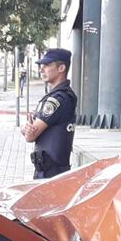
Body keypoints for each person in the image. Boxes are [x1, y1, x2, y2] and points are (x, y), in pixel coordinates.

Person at [20, 48, 77, 180]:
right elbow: (30, 130)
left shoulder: (58, 99)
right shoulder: (59, 96)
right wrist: (25, 128)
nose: (42, 69)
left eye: (47, 65)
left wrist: (26, 129)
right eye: (42, 66)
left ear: (61, 68)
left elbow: (30, 136)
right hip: (49, 172)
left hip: (52, 174)